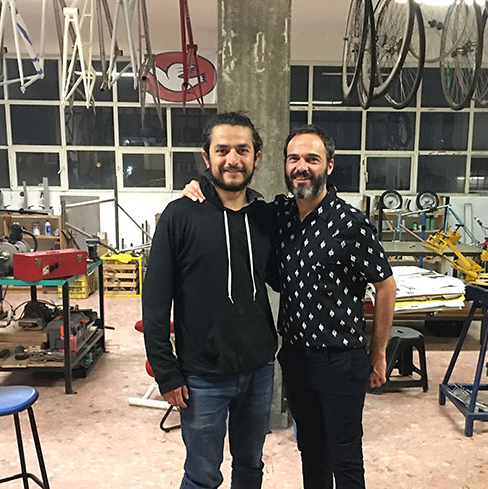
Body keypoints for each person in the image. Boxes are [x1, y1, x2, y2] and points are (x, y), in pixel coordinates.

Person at [183, 124, 397, 489]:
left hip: (340, 360)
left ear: (329, 166)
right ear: (284, 165)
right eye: (294, 158)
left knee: (344, 456)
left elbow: (386, 287)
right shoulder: (279, 215)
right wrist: (200, 186)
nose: (301, 167)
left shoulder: (351, 223)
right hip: (296, 357)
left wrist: (378, 353)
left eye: (312, 159)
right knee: (310, 449)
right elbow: (234, 198)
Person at [142, 112, 279, 489]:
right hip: (201, 376)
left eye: (242, 150)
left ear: (257, 157)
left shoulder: (266, 217)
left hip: (258, 369)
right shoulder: (180, 215)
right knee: (202, 474)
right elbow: (155, 302)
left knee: (251, 466)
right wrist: (166, 371)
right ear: (207, 157)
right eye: (222, 150)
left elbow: (284, 277)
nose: (232, 159)